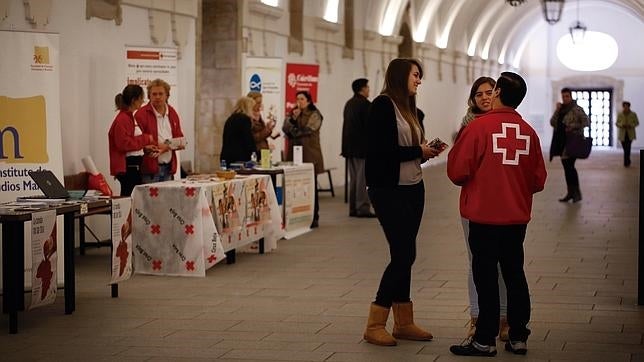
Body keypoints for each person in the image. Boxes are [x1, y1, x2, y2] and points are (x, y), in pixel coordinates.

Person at [447, 72, 547, 357]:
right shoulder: (528, 132)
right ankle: (518, 336)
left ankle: (485, 339)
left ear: (499, 91)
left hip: (483, 217)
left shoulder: (478, 128)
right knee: (515, 273)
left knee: (486, 276)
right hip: (516, 218)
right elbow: (538, 180)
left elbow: (457, 172)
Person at [363, 58, 438, 346]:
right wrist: (417, 149)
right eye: (416, 75)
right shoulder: (382, 105)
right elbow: (381, 152)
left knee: (404, 252)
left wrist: (425, 150)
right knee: (404, 255)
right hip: (388, 189)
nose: (419, 80)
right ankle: (375, 323)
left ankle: (404, 322)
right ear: (400, 75)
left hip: (413, 188)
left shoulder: (411, 109)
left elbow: (408, 148)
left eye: (420, 76)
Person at [456, 76, 510, 342]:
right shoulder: (469, 127)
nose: (485, 97)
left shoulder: (509, 125)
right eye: (479, 95)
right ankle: (477, 319)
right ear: (473, 99)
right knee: (476, 263)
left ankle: (503, 318)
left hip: (504, 204)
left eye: (490, 92)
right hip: (475, 204)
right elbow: (459, 168)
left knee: (504, 264)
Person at [282, 91, 324, 228]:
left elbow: (308, 130)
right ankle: (297, 217)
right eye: (297, 99)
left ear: (309, 101)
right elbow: (285, 128)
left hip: (310, 153)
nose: (299, 101)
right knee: (294, 185)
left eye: (302, 99)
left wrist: (294, 129)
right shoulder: (293, 113)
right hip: (294, 152)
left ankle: (314, 216)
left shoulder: (315, 114)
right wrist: (294, 120)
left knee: (311, 185)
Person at [108, 84, 157, 197]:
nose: (142, 101)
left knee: (135, 202)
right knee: (130, 201)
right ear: (134, 100)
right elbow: (124, 144)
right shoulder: (123, 119)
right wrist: (145, 138)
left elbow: (131, 143)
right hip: (129, 168)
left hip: (134, 166)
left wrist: (144, 148)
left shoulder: (129, 117)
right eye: (141, 99)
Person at [136, 78, 186, 183]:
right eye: (154, 94)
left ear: (167, 95)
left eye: (160, 94)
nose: (157, 97)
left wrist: (166, 146)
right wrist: (164, 146)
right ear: (149, 96)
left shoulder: (172, 112)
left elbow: (181, 140)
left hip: (169, 168)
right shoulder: (141, 114)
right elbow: (138, 141)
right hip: (150, 171)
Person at [342, 78, 376, 218]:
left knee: (354, 179)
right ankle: (362, 208)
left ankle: (353, 208)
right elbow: (370, 128)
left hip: (349, 148)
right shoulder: (365, 105)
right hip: (362, 149)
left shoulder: (349, 104)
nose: (369, 89)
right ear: (362, 89)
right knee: (362, 179)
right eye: (367, 87)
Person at [549, 87, 589, 203]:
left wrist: (574, 126)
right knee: (567, 168)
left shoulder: (576, 109)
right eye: (563, 96)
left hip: (572, 142)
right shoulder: (561, 109)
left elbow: (586, 121)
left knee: (570, 168)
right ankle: (571, 193)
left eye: (567, 96)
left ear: (571, 96)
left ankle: (576, 193)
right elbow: (552, 122)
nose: (565, 98)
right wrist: (557, 110)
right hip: (561, 142)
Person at [220, 96, 258, 167]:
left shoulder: (231, 118)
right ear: (248, 108)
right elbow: (248, 140)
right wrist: (255, 155)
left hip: (226, 157)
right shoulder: (245, 119)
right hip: (239, 159)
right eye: (252, 108)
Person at [247, 91, 277, 159]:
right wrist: (267, 129)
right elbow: (254, 137)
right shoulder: (247, 118)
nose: (260, 105)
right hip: (255, 151)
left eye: (261, 102)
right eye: (258, 103)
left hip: (263, 149)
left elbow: (263, 134)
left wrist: (269, 128)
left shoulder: (258, 116)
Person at [616, 101, 639, 167]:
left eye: (627, 106)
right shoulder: (620, 114)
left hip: (630, 133)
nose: (625, 107)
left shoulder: (633, 114)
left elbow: (637, 122)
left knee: (628, 148)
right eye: (624, 106)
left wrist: (631, 125)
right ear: (623, 107)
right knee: (625, 148)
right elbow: (617, 123)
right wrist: (621, 125)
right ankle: (628, 160)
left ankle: (626, 163)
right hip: (622, 134)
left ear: (629, 107)